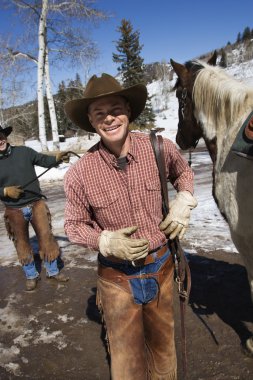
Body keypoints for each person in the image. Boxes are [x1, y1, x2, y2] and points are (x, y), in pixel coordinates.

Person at [63, 73, 197, 380]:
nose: (109, 118)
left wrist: (184, 199)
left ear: (128, 110)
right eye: (99, 113)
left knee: (164, 355)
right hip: (117, 278)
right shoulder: (80, 173)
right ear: (91, 120)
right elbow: (73, 225)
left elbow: (184, 173)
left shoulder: (159, 147)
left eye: (115, 109)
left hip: (162, 267)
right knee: (127, 363)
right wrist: (105, 241)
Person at [0, 125, 70, 291]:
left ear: (5, 136)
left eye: (0, 135)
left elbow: (43, 160)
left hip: (37, 204)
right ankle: (31, 275)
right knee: (22, 243)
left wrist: (57, 158)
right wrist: (4, 191)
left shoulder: (24, 152)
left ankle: (53, 271)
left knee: (46, 238)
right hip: (14, 210)